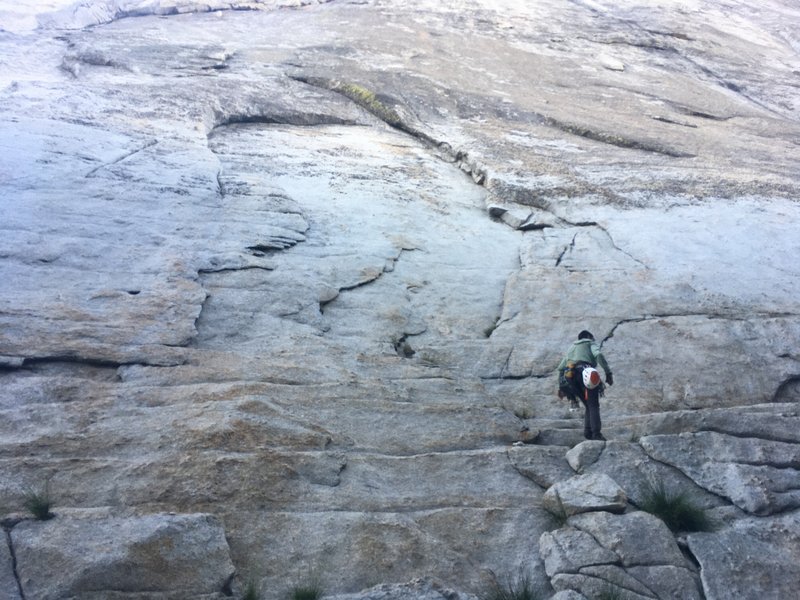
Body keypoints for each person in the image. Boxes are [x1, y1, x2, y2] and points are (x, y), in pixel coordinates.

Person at [557, 330, 613, 441]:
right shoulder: (590, 343)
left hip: (571, 377)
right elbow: (598, 354)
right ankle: (596, 434)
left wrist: (561, 387)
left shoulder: (572, 347)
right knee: (593, 405)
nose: (593, 340)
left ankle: (588, 432)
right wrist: (608, 373)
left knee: (588, 405)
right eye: (592, 337)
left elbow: (561, 367)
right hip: (586, 372)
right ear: (588, 336)